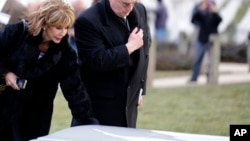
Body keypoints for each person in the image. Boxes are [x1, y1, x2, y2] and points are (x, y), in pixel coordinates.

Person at [0, 0, 97, 140]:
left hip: (36, 117)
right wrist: (6, 72)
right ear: (45, 23)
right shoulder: (18, 32)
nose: (63, 33)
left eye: (66, 27)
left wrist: (87, 121)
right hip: (5, 106)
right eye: (58, 27)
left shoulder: (66, 54)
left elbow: (74, 90)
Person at [74, 0, 151, 128]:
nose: (130, 8)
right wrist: (129, 47)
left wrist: (139, 88)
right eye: (125, 4)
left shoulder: (140, 9)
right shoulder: (87, 21)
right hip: (100, 106)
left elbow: (145, 48)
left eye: (134, 2)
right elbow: (98, 60)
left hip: (129, 104)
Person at [189, 0, 222, 83]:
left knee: (211, 61)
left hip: (212, 41)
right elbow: (193, 20)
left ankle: (211, 78)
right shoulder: (201, 11)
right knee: (198, 59)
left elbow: (219, 20)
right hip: (202, 39)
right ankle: (194, 78)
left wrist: (214, 12)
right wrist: (200, 10)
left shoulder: (213, 12)